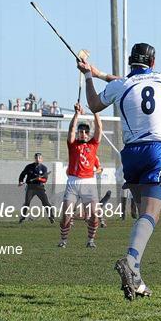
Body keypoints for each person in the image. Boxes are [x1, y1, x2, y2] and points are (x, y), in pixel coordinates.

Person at [78, 42, 161, 300]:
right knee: (152, 214)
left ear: (130, 61)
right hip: (156, 150)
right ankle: (131, 262)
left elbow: (95, 104)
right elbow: (137, 82)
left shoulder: (120, 85)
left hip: (131, 154)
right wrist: (98, 73)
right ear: (152, 62)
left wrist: (89, 76)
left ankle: (137, 277)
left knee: (145, 214)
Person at [58, 102, 102, 249]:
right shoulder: (73, 144)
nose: (83, 133)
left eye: (85, 131)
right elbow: (71, 129)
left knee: (94, 214)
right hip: (73, 182)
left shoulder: (93, 144)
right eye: (80, 131)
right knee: (66, 214)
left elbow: (99, 128)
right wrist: (76, 114)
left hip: (89, 183)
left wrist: (95, 111)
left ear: (88, 134)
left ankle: (90, 241)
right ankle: (63, 240)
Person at [18, 153, 54, 224]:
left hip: (40, 188)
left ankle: (51, 217)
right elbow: (23, 174)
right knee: (27, 202)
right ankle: (22, 217)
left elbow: (45, 180)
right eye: (36, 158)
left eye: (39, 158)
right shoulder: (29, 167)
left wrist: (40, 178)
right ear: (34, 159)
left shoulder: (44, 168)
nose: (38, 159)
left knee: (46, 203)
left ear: (41, 159)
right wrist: (21, 181)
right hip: (30, 187)